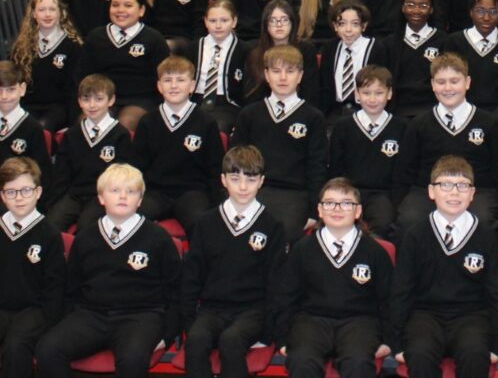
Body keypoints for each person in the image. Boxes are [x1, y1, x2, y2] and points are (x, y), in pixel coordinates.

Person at [36, 164, 181, 378]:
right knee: (48, 350)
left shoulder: (159, 238)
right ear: (101, 198)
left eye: (131, 191)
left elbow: (177, 292)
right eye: (115, 190)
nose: (123, 196)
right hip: (91, 315)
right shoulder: (85, 237)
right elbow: (71, 289)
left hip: (141, 316)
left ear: (140, 200)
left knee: (132, 359)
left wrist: (167, 335)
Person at [390, 155, 498, 377]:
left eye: (462, 186)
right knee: (419, 354)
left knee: (475, 354)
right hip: (425, 315)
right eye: (445, 185)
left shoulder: (485, 235)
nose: (454, 192)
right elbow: (401, 290)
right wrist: (395, 342)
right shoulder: (415, 234)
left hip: (472, 315)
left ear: (472, 194)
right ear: (431, 191)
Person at [181, 145, 285, 378]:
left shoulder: (272, 226)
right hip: (211, 309)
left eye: (251, 179)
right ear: (223, 180)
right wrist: (189, 322)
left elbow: (277, 283)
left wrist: (269, 330)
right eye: (235, 178)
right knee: (196, 341)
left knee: (231, 340)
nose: (243, 187)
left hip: (252, 311)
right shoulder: (205, 223)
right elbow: (192, 276)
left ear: (261, 181)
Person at [273, 177, 394, 378]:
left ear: (358, 211)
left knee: (358, 362)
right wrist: (283, 339)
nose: (337, 209)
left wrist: (390, 341)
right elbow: (286, 297)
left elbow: (388, 300)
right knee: (302, 360)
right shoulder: (302, 249)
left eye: (346, 203)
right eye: (329, 203)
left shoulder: (375, 252)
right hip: (311, 320)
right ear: (319, 210)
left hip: (360, 321)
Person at [396, 53, 498, 234]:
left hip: (477, 191)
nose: (447, 88)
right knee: (409, 219)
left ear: (467, 82)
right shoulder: (418, 124)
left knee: (484, 220)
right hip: (427, 191)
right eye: (441, 82)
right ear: (432, 85)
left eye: (454, 81)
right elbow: (405, 171)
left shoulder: (489, 123)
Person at [232, 45, 328, 244]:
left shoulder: (313, 117)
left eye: (290, 71)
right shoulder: (249, 114)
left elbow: (317, 166)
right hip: (252, 191)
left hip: (295, 195)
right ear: (266, 75)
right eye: (276, 71)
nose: (283, 77)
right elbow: (234, 162)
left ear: (300, 76)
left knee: (281, 235)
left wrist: (313, 209)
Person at [133, 56, 225, 235]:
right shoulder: (147, 121)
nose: (174, 86)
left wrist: (215, 203)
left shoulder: (206, 122)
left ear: (192, 86)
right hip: (155, 192)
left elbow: (215, 169)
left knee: (202, 225)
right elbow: (136, 166)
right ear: (159, 86)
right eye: (168, 80)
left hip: (193, 193)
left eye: (180, 80)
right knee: (133, 220)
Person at [0, 157, 65, 378]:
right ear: (2, 196)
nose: (19, 198)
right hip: (2, 308)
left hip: (35, 310)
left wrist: (52, 324)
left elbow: (55, 287)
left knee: (16, 346)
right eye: (11, 192)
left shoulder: (49, 234)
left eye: (26, 190)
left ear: (38, 192)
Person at [46, 74, 136, 231]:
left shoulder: (120, 135)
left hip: (103, 197)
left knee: (86, 227)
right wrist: (52, 205)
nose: (92, 105)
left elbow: (122, 175)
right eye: (86, 99)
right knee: (51, 224)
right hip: (74, 194)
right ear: (79, 101)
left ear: (111, 100)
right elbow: (62, 174)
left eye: (99, 99)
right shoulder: (72, 134)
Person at [328, 65, 408, 239]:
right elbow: (335, 169)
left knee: (383, 223)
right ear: (357, 94)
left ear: (389, 93)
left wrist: (395, 203)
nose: (372, 99)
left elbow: (402, 173)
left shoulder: (401, 128)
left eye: (378, 93)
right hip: (348, 192)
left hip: (383, 195)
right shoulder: (343, 127)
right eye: (366, 93)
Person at [77, 0, 170, 130]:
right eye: (115, 5)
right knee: (87, 123)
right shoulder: (95, 37)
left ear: (141, 10)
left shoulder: (154, 38)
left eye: (128, 5)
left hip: (141, 99)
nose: (120, 10)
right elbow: (82, 75)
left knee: (124, 124)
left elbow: (163, 78)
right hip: (103, 98)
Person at [10, 0, 82, 131]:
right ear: (33, 14)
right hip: (27, 106)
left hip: (58, 108)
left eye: (52, 9)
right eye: (42, 10)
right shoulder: (22, 46)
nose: (47, 14)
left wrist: (72, 122)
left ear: (60, 12)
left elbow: (75, 89)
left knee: (39, 128)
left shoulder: (73, 46)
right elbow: (14, 81)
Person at [381, 0, 447, 119]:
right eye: (410, 5)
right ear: (402, 7)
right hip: (398, 110)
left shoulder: (443, 40)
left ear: (431, 9)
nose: (416, 10)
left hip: (433, 109)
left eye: (423, 6)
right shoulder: (390, 43)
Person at [186, 0, 252, 132]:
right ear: (205, 22)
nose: (218, 26)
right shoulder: (193, 48)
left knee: (216, 126)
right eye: (212, 21)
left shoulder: (245, 50)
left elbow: (249, 88)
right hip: (195, 100)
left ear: (234, 21)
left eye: (224, 20)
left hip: (228, 104)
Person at [319, 0, 386, 125]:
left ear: (363, 26)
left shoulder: (376, 47)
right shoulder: (330, 48)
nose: (348, 29)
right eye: (342, 24)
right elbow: (324, 86)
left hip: (366, 112)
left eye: (355, 24)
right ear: (335, 26)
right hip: (336, 112)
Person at [243, 0, 320, 105]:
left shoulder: (306, 50)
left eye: (284, 20)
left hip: (299, 108)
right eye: (273, 20)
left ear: (292, 22)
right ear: (265, 24)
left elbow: (311, 91)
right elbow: (251, 93)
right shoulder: (254, 51)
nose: (279, 25)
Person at [0, 62, 52, 191]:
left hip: (16, 194)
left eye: (11, 89)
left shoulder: (33, 128)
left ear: (22, 89)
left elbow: (42, 174)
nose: (4, 96)